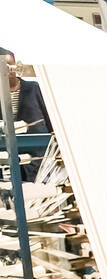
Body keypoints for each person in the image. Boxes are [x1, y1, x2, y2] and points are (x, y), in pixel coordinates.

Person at [4, 51, 52, 182]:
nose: (6, 70)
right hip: (11, 166)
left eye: (8, 65)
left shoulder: (35, 90)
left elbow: (51, 123)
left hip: (40, 164)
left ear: (15, 66)